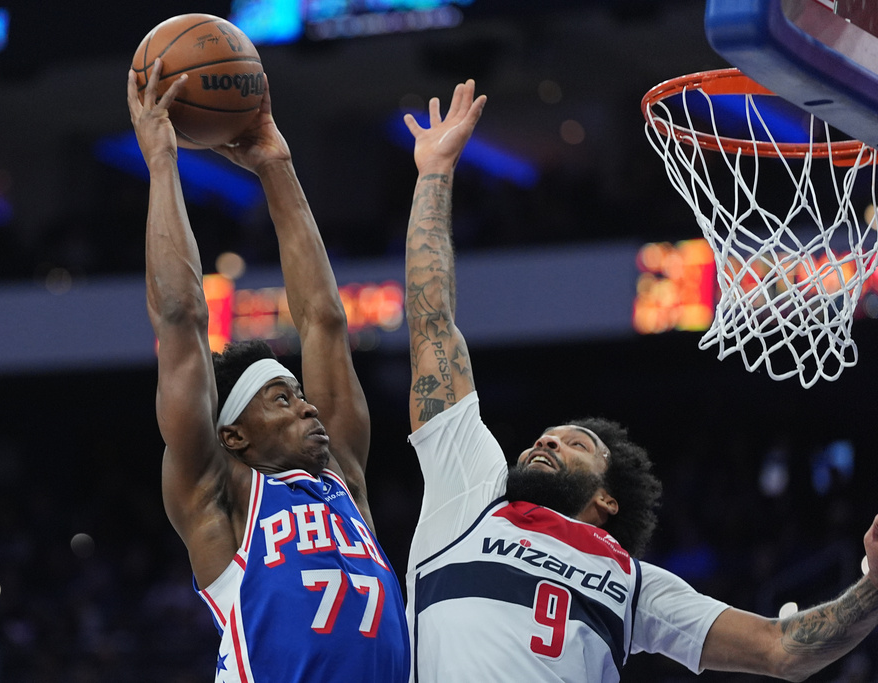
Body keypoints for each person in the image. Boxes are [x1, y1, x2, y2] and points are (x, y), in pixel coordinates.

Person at [400, 78, 878, 682]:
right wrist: (435, 174)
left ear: (607, 498)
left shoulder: (634, 581)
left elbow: (782, 649)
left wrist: (874, 589)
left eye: (575, 444)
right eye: (546, 435)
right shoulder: (470, 490)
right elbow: (432, 323)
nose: (547, 441)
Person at [127, 59, 410, 682]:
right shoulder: (219, 495)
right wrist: (163, 162)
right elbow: (180, 318)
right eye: (281, 400)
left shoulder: (345, 481)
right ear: (234, 436)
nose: (309, 407)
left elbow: (324, 324)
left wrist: (274, 165)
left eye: (300, 396)